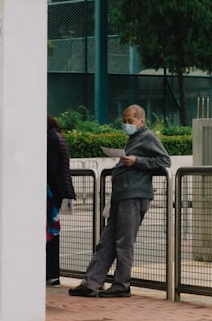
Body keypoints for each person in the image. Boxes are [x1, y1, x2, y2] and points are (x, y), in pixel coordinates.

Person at [69, 104, 171, 297]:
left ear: (142, 121)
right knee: (106, 242)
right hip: (122, 195)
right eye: (124, 121)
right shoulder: (134, 139)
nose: (126, 124)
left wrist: (137, 161)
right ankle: (91, 283)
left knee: (124, 242)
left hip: (134, 196)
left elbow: (164, 161)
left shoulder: (148, 137)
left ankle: (121, 285)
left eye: (130, 121)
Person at [47, 115, 77, 286]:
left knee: (50, 232)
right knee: (52, 231)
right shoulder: (57, 136)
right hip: (61, 191)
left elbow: (51, 168)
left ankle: (52, 273)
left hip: (54, 192)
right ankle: (52, 273)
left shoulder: (51, 138)